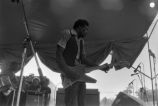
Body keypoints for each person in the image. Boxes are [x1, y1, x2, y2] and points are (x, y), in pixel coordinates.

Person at [56, 19, 111, 106]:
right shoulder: (67, 33)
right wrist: (67, 72)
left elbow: (84, 59)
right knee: (70, 102)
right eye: (85, 29)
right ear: (79, 27)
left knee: (81, 102)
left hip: (79, 73)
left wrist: (100, 67)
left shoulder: (81, 41)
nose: (86, 32)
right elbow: (59, 54)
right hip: (69, 73)